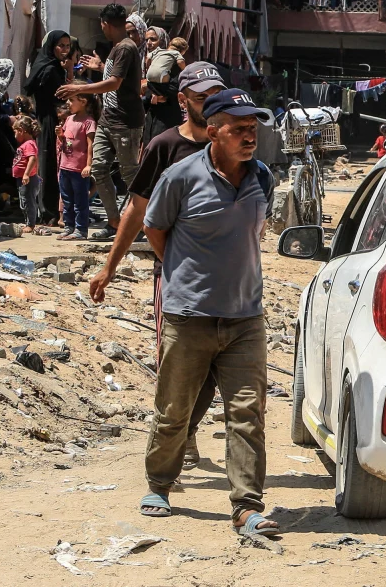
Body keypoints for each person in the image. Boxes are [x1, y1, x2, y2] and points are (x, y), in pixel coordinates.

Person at [140, 88, 276, 537]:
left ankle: (246, 507)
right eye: (238, 129)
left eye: (252, 129)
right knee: (175, 409)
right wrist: (184, 275)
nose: (248, 137)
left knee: (246, 413)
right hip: (189, 316)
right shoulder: (180, 177)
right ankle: (160, 483)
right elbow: (155, 230)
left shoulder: (262, 176)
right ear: (213, 130)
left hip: (244, 318)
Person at [89, 63, 228, 469]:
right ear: (183, 101)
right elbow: (138, 209)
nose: (212, 104)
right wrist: (110, 266)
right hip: (177, 275)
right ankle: (174, 441)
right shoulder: (165, 146)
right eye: (202, 97)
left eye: (216, 95)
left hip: (228, 279)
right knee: (176, 362)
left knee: (218, 366)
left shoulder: (233, 144)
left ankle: (184, 431)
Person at [58, 4, 145, 240]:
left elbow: (115, 83)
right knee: (98, 169)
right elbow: (115, 76)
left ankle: (139, 223)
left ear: (105, 23)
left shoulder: (126, 48)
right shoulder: (118, 48)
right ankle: (115, 221)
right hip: (108, 120)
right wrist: (99, 67)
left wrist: (81, 87)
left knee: (130, 175)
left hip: (125, 122)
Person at [25, 30, 72, 227]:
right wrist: (69, 72)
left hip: (47, 119)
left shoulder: (48, 65)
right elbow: (62, 96)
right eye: (61, 45)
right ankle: (47, 212)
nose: (65, 49)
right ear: (52, 46)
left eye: (67, 46)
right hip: (49, 120)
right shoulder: (51, 69)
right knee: (48, 163)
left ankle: (48, 211)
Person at [57, 92, 97, 240]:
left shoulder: (88, 122)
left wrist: (88, 165)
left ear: (83, 101)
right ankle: (69, 227)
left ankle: (81, 229)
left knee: (80, 201)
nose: (68, 103)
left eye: (71, 100)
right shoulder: (69, 119)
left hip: (79, 169)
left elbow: (90, 145)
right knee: (67, 199)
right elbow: (65, 142)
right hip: (65, 166)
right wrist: (60, 135)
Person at [141, 27, 183, 146]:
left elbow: (173, 89)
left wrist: (149, 87)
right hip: (151, 117)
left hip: (167, 118)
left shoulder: (174, 64)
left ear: (163, 41)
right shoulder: (149, 62)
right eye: (146, 40)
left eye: (153, 39)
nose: (149, 43)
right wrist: (152, 95)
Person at [12, 115, 41, 233]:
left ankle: (31, 224)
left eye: (15, 132)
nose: (14, 135)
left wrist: (27, 174)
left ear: (21, 131)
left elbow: (33, 159)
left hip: (28, 179)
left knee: (28, 201)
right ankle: (28, 222)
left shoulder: (29, 144)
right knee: (24, 201)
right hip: (24, 178)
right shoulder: (26, 144)